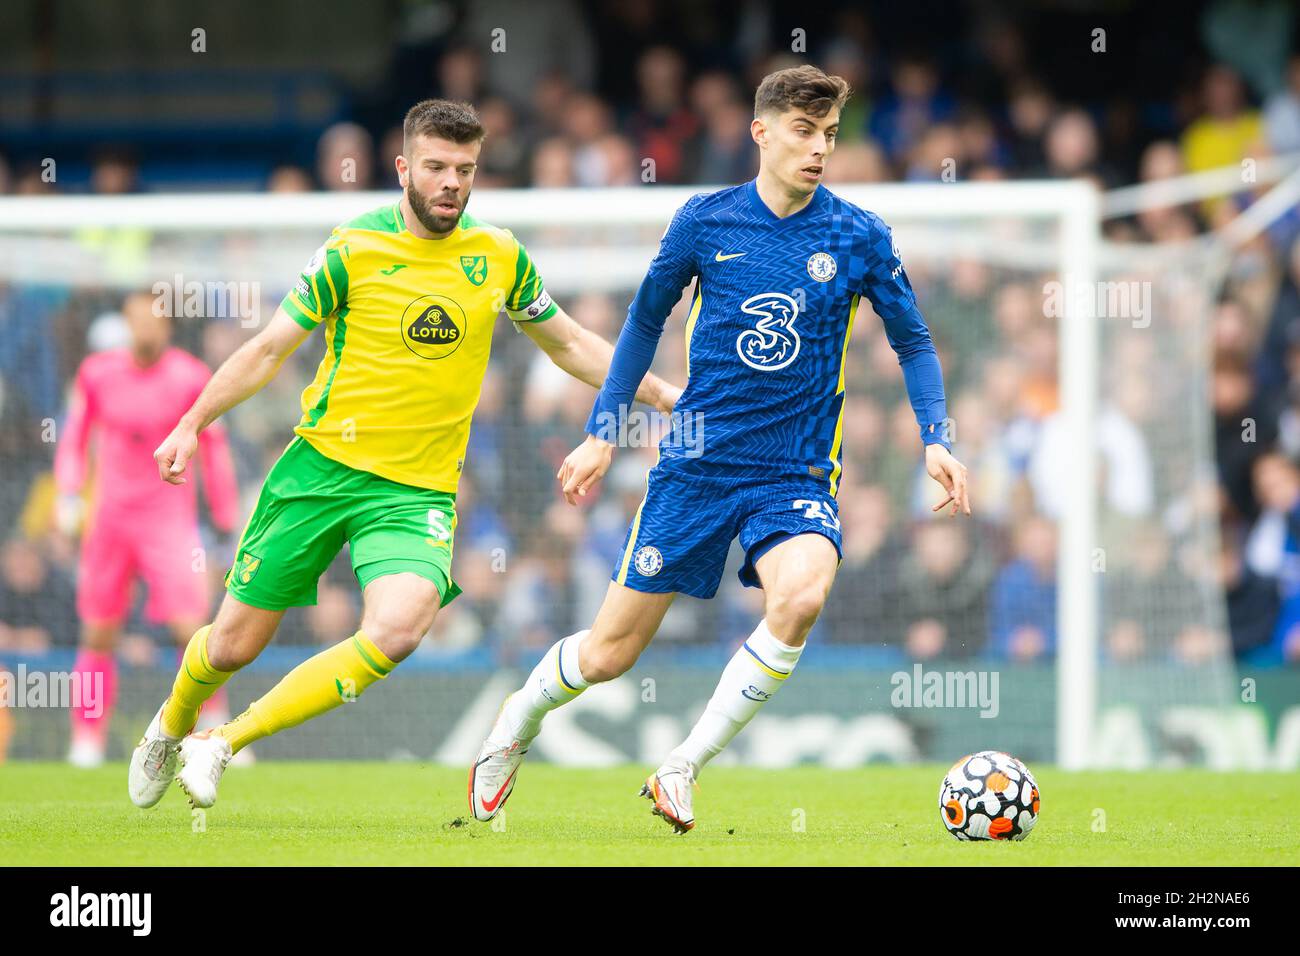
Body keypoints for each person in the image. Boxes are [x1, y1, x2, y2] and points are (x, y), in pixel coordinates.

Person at [127, 99, 679, 811]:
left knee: (399, 626)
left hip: (415, 492)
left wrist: (659, 393)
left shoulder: (498, 255)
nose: (452, 182)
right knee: (231, 646)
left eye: (466, 170)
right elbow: (268, 348)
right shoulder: (351, 249)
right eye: (438, 167)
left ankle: (223, 741)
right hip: (319, 470)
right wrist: (191, 423)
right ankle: (171, 724)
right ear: (404, 169)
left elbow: (569, 341)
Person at [470, 66, 970, 833]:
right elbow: (641, 327)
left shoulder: (859, 235)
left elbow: (915, 342)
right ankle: (515, 722)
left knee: (801, 594)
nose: (818, 150)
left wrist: (937, 439)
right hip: (697, 465)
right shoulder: (704, 222)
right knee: (608, 654)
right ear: (761, 132)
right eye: (804, 132)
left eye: (830, 135)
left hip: (793, 472)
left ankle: (681, 765)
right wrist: (605, 433)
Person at [55, 291, 239, 767]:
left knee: (191, 629)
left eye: (153, 320)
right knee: (98, 632)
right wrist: (69, 492)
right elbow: (74, 435)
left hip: (168, 521)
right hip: (110, 520)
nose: (145, 329)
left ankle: (213, 730)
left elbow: (213, 446)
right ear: (126, 322)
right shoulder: (97, 374)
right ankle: (87, 738)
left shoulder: (190, 376)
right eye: (136, 319)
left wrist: (224, 512)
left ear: (169, 326)